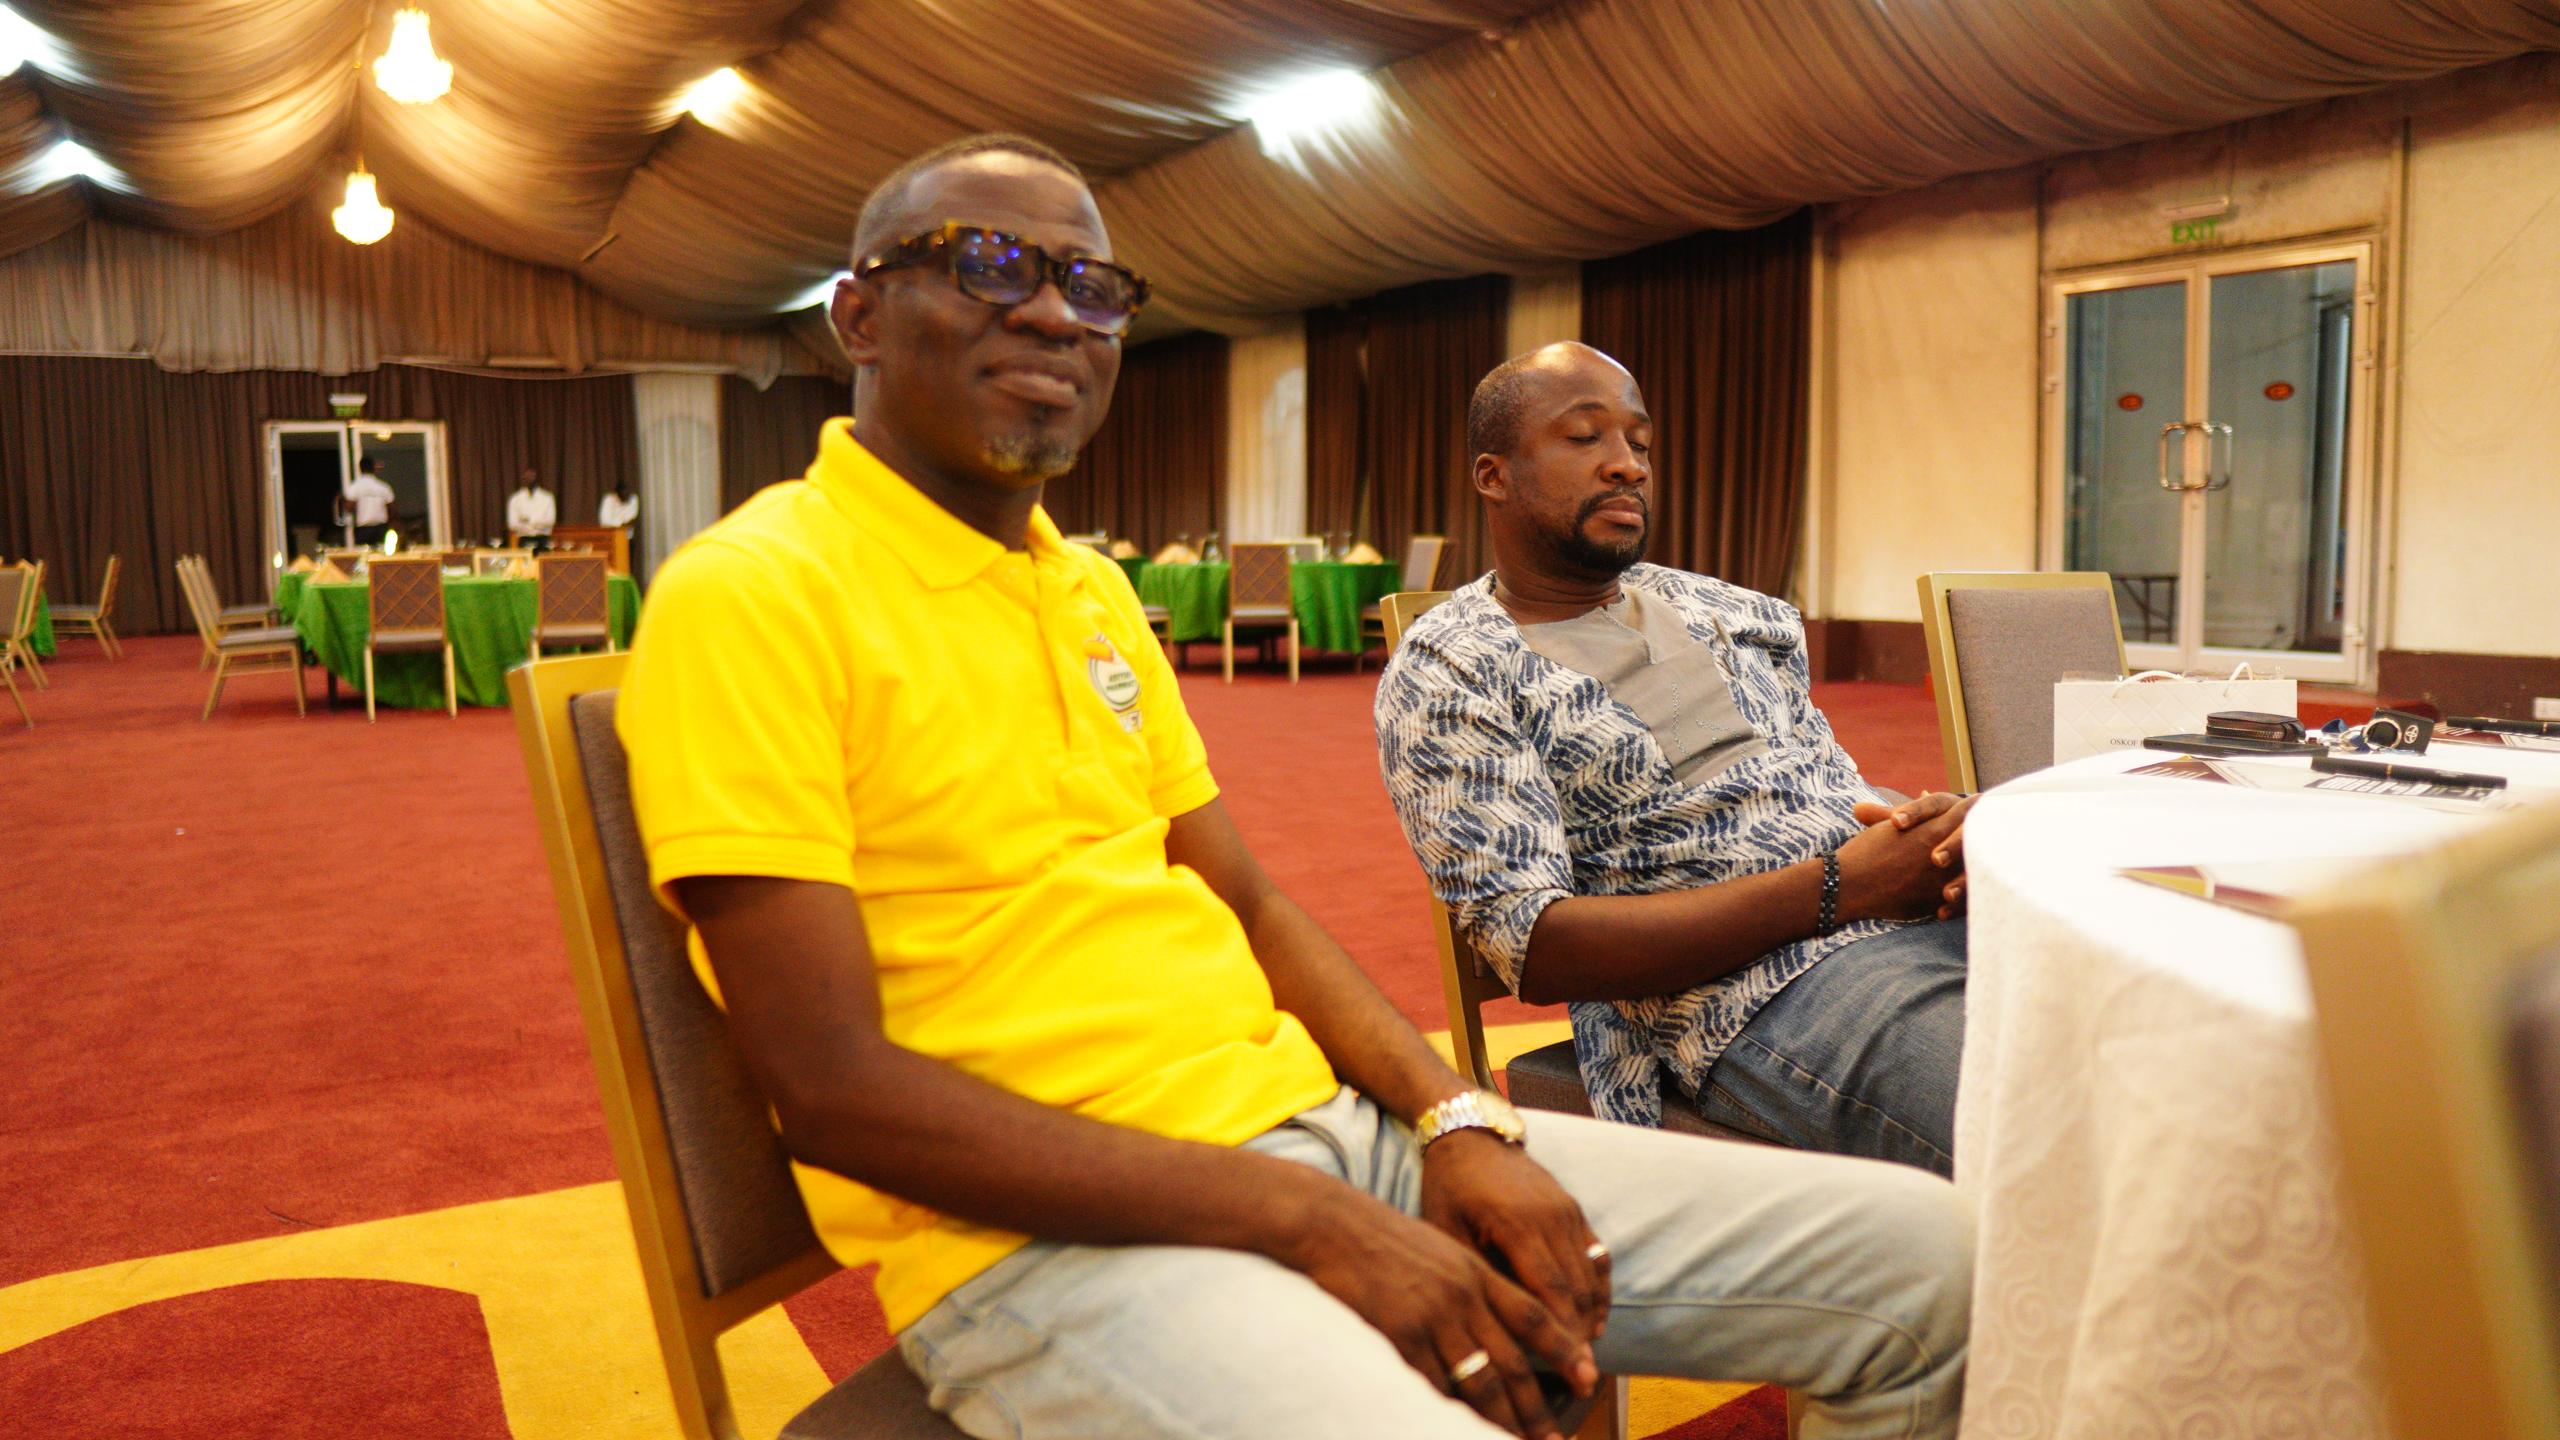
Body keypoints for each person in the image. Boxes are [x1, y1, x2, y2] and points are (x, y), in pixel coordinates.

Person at [617, 137, 1970, 1440]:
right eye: (986, 265)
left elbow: (1251, 905)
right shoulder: (756, 594)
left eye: (1090, 286)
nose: (1051, 314)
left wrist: (1451, 1117)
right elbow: (835, 1090)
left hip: (1319, 1130)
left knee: (1942, 1269)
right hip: (1047, 1241)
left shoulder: (1088, 592)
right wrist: (1315, 1221)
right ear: (856, 314)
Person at [1375, 343, 1974, 1178]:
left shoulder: (1727, 610)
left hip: (1925, 923)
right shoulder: (1454, 667)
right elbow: (1538, 947)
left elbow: (1820, 789)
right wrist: (1843, 886)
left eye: (1641, 443)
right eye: (1584, 437)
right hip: (1761, 995)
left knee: (2140, 1019)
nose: (1628, 465)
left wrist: (1931, 834)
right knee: (2055, 1117)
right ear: (1493, 476)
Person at [342, 457, 397, 547]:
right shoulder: (383, 487)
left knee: (363, 553)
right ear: (374, 468)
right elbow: (393, 509)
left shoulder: (355, 487)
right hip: (381, 528)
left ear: (360, 468)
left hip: (363, 529)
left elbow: (348, 508)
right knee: (381, 553)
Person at [505, 469, 556, 547]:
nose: (530, 479)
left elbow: (550, 520)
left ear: (537, 478)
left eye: (532, 476)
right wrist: (528, 527)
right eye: (527, 477)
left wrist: (531, 523)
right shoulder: (515, 498)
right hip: (524, 538)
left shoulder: (547, 497)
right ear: (523, 479)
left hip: (543, 538)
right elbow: (512, 524)